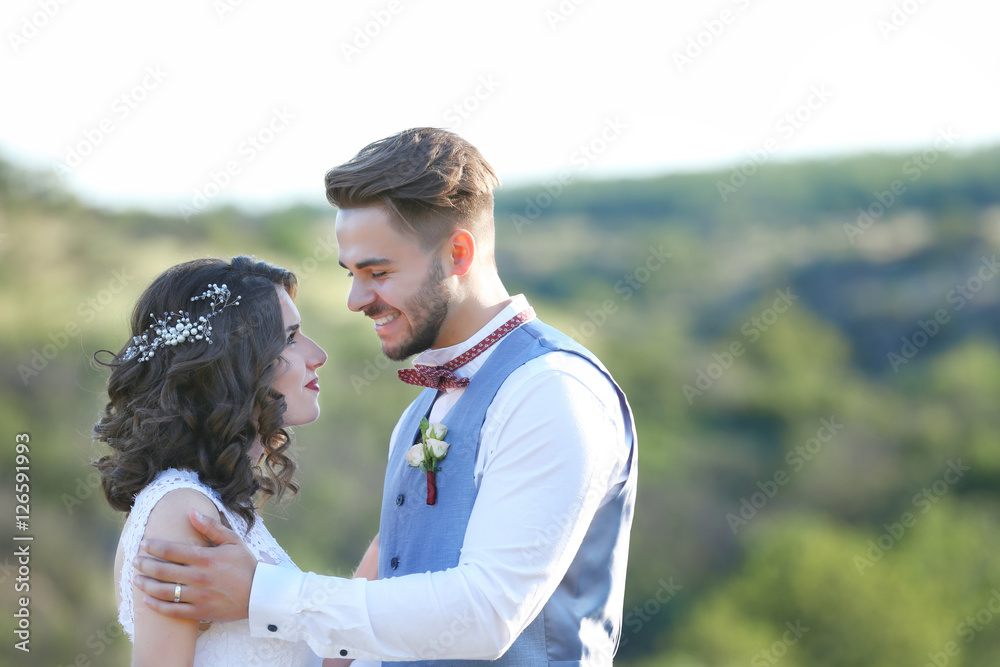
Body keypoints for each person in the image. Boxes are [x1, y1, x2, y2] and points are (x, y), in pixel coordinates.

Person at [133, 128, 638, 666]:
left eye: (378, 272)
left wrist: (268, 595)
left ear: (459, 253)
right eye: (351, 274)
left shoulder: (552, 391)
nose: (356, 300)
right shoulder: (423, 407)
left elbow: (489, 613)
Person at [94, 256, 331, 666]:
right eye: (290, 338)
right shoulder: (181, 512)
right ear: (233, 363)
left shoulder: (212, 504)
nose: (318, 355)